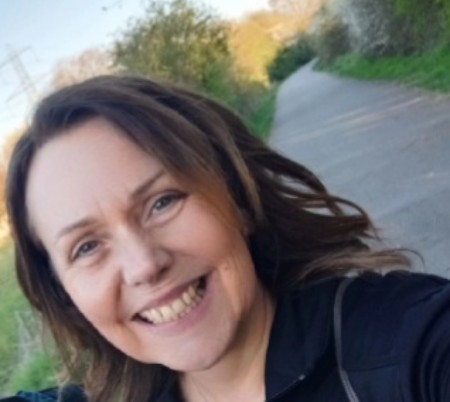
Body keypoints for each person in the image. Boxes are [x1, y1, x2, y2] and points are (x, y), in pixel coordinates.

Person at [4, 75, 450, 402]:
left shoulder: (405, 341)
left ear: (238, 195)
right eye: (86, 247)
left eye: (163, 202)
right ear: (66, 295)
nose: (144, 265)